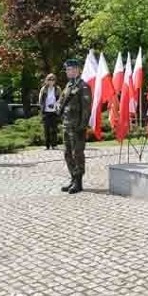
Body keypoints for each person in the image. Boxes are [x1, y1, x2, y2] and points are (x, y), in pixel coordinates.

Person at [56, 59, 92, 194]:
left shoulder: (83, 86)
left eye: (70, 69)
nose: (67, 72)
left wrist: (82, 126)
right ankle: (72, 178)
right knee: (67, 153)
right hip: (66, 125)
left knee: (77, 154)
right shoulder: (68, 85)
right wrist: (57, 107)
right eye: (67, 70)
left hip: (77, 127)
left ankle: (78, 181)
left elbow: (86, 109)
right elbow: (60, 101)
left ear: (77, 70)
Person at [38, 74, 61, 150]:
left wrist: (55, 105)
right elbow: (40, 100)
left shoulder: (57, 89)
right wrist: (42, 108)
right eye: (49, 80)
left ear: (55, 81)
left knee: (54, 129)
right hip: (46, 111)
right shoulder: (43, 89)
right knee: (46, 129)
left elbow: (60, 99)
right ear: (47, 81)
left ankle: (54, 145)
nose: (51, 81)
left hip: (54, 111)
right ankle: (46, 145)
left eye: (53, 80)